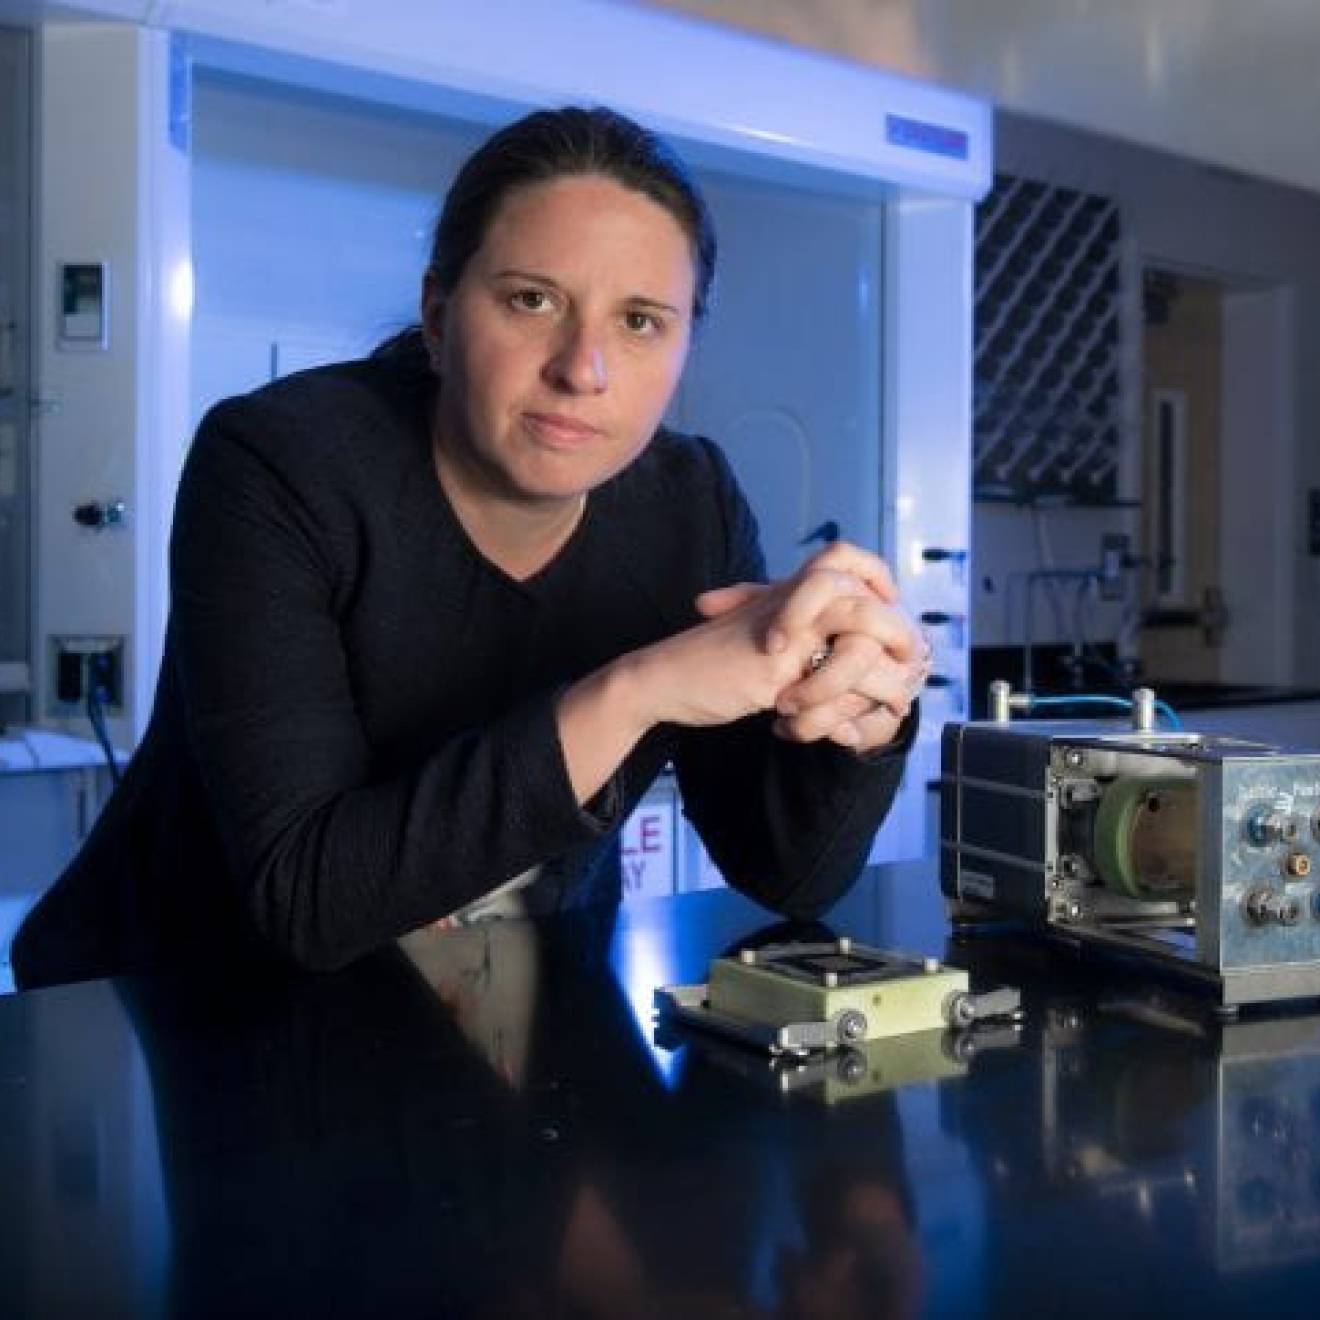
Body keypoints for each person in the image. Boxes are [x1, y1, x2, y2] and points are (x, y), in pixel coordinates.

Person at [13, 105, 928, 990]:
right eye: (533, 300)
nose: (582, 370)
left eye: (640, 321)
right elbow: (305, 898)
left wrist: (853, 719)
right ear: (439, 315)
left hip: (505, 1001)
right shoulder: (279, 464)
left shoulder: (689, 507)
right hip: (182, 1004)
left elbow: (790, 877)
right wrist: (637, 690)